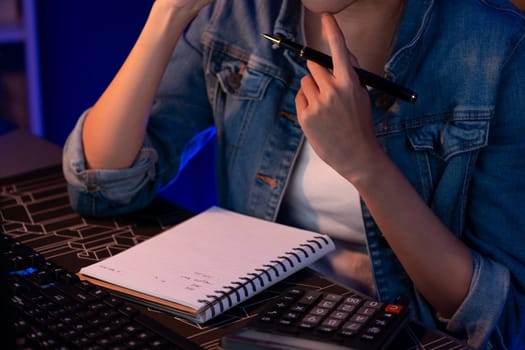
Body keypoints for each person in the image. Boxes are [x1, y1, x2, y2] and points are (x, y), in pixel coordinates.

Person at [62, 0, 525, 348]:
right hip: (258, 326)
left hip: (399, 334)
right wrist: (165, 20)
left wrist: (366, 165)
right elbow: (104, 185)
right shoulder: (242, 14)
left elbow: (497, 318)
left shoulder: (497, 51)